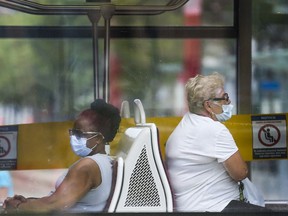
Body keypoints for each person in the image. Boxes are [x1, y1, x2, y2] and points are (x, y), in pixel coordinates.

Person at [165, 72, 269, 212]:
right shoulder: (214, 130)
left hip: (192, 206)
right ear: (208, 106)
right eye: (224, 98)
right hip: (214, 207)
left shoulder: (185, 125)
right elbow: (241, 173)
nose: (228, 102)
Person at [3, 99, 121, 213]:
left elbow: (54, 204)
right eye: (73, 132)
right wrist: (28, 202)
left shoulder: (87, 166)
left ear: (98, 139)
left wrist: (17, 207)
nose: (73, 137)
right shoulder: (104, 161)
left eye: (79, 133)